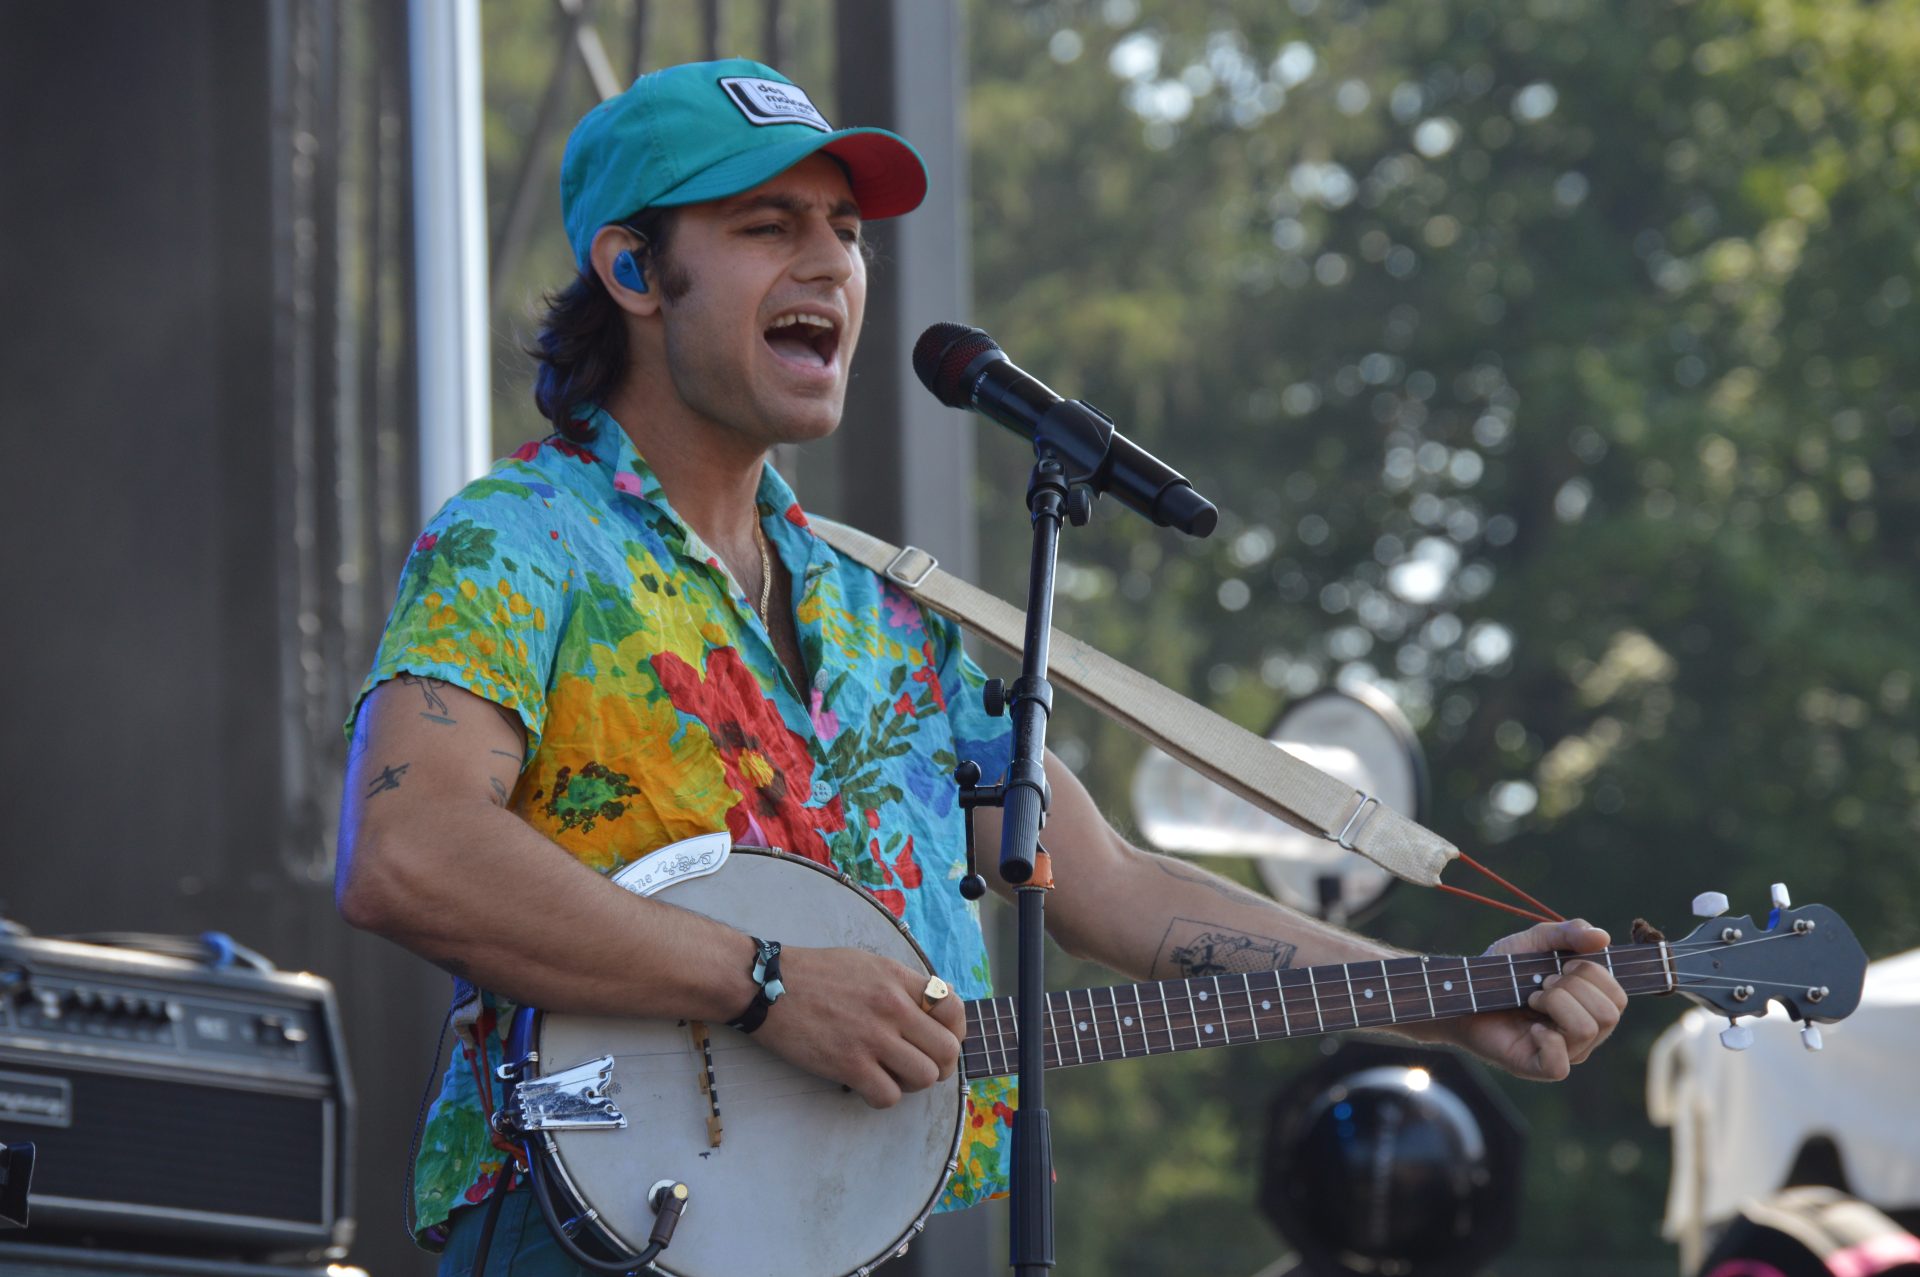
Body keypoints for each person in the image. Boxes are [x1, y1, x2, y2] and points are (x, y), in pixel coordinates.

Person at [334, 58, 1627, 1273]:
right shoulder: (521, 540)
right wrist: (766, 983)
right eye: (767, 225)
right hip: (580, 1238)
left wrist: (1449, 1002)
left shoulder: (881, 615)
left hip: (850, 1234)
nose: (832, 263)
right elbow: (406, 853)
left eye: (846, 229)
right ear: (632, 266)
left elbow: (1110, 887)